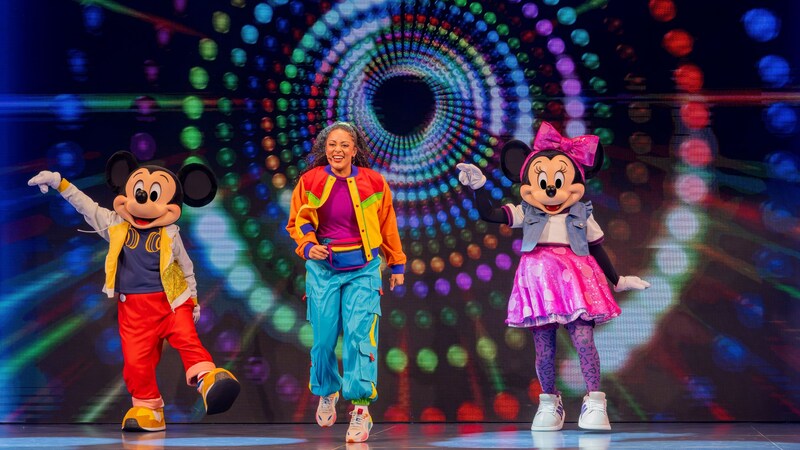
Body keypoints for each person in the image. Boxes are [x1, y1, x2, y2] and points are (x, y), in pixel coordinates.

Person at [27, 152, 240, 432]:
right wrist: (59, 183)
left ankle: (208, 380)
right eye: (139, 193)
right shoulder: (116, 226)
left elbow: (187, 269)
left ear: (174, 204)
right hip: (133, 309)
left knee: (187, 339)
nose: (144, 202)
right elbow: (86, 207)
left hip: (172, 302)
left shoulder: (170, 234)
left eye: (154, 196)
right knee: (136, 361)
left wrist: (195, 302)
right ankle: (148, 409)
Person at [457, 122, 649, 431]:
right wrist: (478, 189)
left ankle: (594, 400)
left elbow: (597, 248)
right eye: (542, 180)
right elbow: (490, 214)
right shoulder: (527, 212)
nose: (550, 188)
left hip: (576, 280)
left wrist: (618, 280)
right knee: (544, 347)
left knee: (584, 339)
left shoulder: (580, 213)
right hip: (538, 282)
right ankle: (549, 402)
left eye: (558, 179)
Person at [285, 122, 406, 443]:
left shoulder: (374, 182)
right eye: (332, 144)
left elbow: (388, 223)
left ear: (355, 150)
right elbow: (297, 221)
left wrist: (397, 262)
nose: (337, 150)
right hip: (323, 270)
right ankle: (327, 391)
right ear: (325, 148)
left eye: (344, 145)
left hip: (363, 270)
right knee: (323, 339)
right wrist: (310, 245)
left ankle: (361, 409)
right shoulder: (310, 181)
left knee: (359, 337)